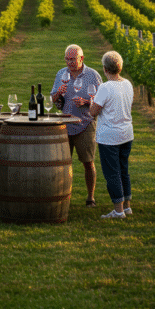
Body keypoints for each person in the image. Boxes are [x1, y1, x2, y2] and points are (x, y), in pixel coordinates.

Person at [51, 44, 103, 207]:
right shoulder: (61, 74)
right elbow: (53, 100)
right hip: (64, 124)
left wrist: (87, 102)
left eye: (72, 59)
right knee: (62, 163)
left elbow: (102, 101)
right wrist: (58, 93)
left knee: (88, 162)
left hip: (85, 123)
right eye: (66, 59)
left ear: (81, 58)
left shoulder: (93, 75)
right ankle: (62, 195)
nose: (69, 62)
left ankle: (90, 197)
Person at [89, 51, 134, 219]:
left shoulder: (105, 87)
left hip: (109, 136)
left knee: (112, 172)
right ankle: (127, 206)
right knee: (124, 170)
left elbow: (94, 111)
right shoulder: (128, 84)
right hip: (126, 133)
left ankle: (118, 210)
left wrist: (92, 102)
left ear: (104, 68)